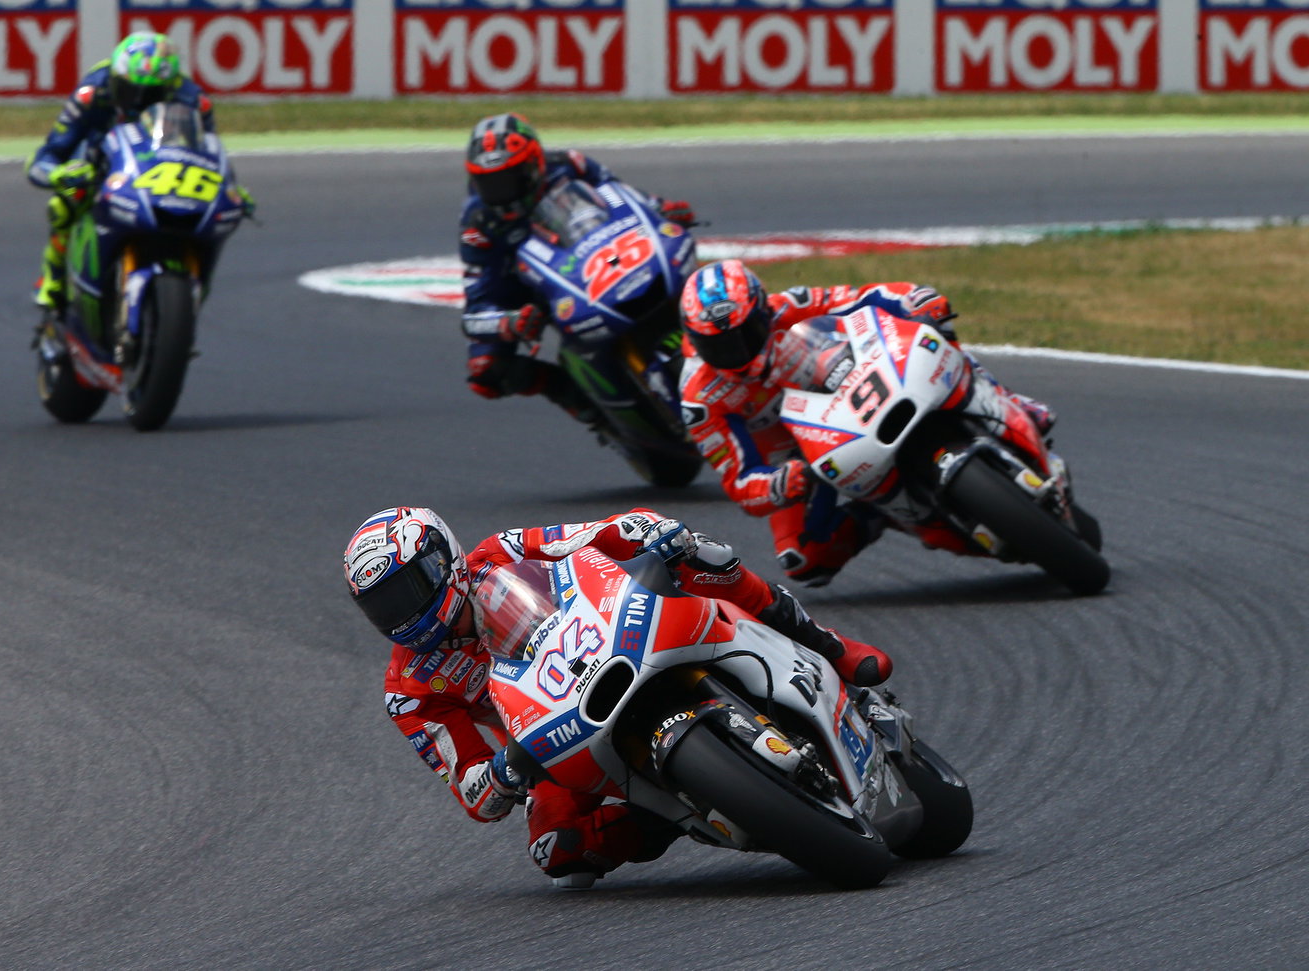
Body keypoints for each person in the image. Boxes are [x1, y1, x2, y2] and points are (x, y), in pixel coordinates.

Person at [343, 505, 891, 889]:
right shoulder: (408, 690)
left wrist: (648, 531)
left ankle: (829, 645)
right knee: (557, 852)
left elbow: (594, 535)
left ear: (443, 561)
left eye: (408, 591)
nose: (402, 616)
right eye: (383, 607)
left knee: (700, 554)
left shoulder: (501, 553)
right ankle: (678, 810)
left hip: (607, 640)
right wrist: (503, 774)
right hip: (549, 736)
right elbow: (471, 792)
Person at [677, 259, 1056, 586]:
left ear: (762, 311)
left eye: (744, 335)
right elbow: (740, 480)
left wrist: (916, 301)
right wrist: (778, 483)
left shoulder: (789, 305)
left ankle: (1008, 400)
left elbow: (868, 296)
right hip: (799, 456)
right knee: (803, 558)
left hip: (851, 384)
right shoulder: (700, 398)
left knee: (933, 335)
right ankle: (884, 513)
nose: (736, 353)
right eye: (717, 346)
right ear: (694, 339)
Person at [457, 112, 697, 427]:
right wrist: (508, 321)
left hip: (590, 253)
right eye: (488, 183)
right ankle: (581, 404)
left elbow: (618, 193)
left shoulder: (568, 164)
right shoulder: (478, 225)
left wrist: (658, 209)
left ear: (534, 166)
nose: (500, 193)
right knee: (485, 371)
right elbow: (475, 310)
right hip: (519, 288)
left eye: (509, 179)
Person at [23, 32, 223, 313]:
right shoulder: (92, 92)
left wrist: (227, 187)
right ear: (115, 79)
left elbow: (207, 152)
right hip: (102, 163)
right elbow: (50, 153)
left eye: (151, 96)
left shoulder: (193, 99)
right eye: (129, 91)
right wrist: (59, 173)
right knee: (65, 203)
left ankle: (194, 282)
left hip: (163, 168)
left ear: (169, 88)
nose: (137, 102)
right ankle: (53, 278)